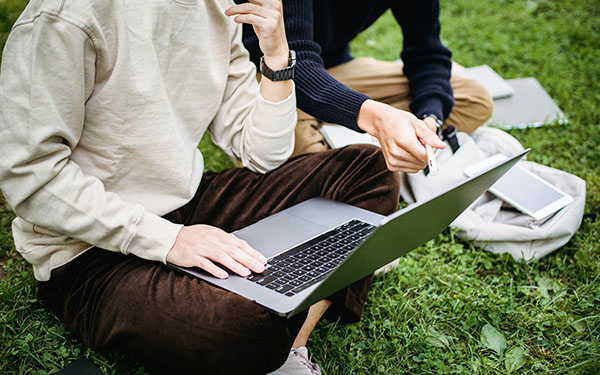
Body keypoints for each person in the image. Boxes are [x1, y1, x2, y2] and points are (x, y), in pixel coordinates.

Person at [0, 0, 411, 374]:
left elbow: (261, 153)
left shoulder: (219, 9)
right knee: (240, 326)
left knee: (368, 168)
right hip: (90, 253)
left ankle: (291, 343)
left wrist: (276, 58)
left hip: (191, 203)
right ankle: (297, 302)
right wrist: (168, 239)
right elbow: (30, 178)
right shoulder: (65, 15)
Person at [237, 0, 494, 171]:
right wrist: (376, 117)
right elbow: (296, 60)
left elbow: (427, 51)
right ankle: (342, 144)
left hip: (334, 67)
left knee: (472, 98)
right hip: (266, 73)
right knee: (296, 159)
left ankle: (348, 140)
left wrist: (429, 118)